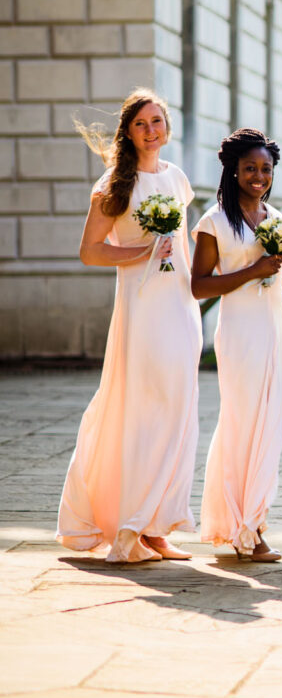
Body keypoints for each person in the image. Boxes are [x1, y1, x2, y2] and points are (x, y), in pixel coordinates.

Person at [57, 89, 202, 564]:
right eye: (141, 123)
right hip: (141, 311)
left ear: (167, 126)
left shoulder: (178, 180)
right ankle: (130, 524)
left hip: (179, 306)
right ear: (128, 131)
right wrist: (140, 253)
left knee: (178, 409)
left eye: (157, 121)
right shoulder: (113, 184)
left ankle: (158, 526)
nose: (151, 130)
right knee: (144, 408)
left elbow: (183, 247)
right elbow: (91, 250)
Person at [190, 128, 282, 562]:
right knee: (242, 425)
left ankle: (253, 522)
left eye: (266, 169)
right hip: (239, 334)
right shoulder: (214, 222)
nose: (259, 176)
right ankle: (242, 528)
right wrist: (251, 270)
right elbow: (199, 286)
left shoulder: (277, 219)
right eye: (251, 168)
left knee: (271, 432)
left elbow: (281, 290)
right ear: (234, 170)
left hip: (276, 332)